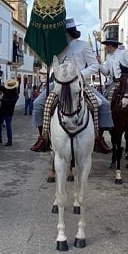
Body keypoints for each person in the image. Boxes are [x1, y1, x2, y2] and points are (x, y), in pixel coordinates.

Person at [30, 18, 113, 154]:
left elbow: (94, 65)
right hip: (58, 82)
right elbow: (52, 64)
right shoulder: (57, 47)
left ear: (68, 32)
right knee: (38, 104)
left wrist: (79, 75)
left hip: (78, 83)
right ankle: (43, 137)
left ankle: (99, 138)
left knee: (103, 104)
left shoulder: (83, 45)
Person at [0, 78, 20, 146]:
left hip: (7, 111)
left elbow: (10, 102)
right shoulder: (14, 93)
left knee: (5, 125)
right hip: (6, 111)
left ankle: (8, 140)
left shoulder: (15, 95)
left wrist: (2, 99)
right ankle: (3, 139)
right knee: (2, 125)